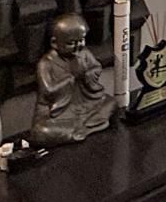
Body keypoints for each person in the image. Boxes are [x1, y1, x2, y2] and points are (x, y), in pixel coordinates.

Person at [27, 12, 116, 145]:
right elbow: (48, 91)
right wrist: (70, 79)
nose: (78, 46)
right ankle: (85, 127)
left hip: (85, 104)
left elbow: (96, 67)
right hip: (58, 112)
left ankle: (80, 129)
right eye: (71, 43)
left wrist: (88, 74)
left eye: (81, 40)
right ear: (54, 43)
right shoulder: (46, 63)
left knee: (111, 102)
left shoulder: (84, 53)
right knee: (41, 131)